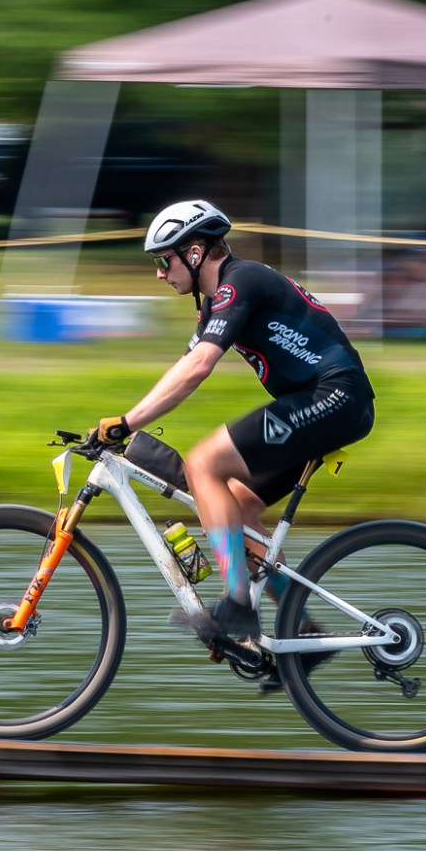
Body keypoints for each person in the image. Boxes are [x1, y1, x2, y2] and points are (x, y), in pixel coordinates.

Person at [89, 199, 375, 648]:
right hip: (326, 402)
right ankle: (302, 631)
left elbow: (200, 367)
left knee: (205, 464)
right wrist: (122, 428)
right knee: (233, 512)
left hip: (335, 395)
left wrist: (128, 422)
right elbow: (181, 371)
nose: (160, 273)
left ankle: (238, 608)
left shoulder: (240, 283)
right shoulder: (216, 305)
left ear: (196, 252)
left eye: (165, 260)